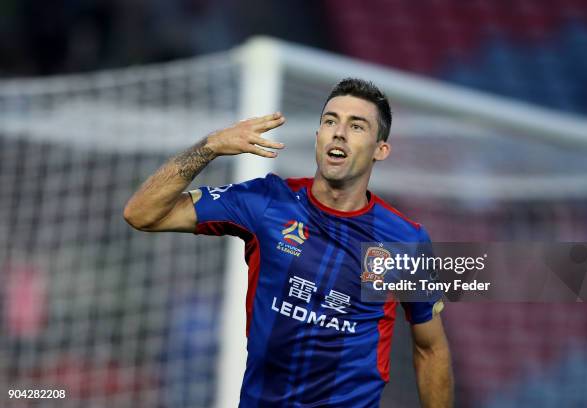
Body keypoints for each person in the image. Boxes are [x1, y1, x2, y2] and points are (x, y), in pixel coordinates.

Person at [123, 78, 453, 407]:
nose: (338, 132)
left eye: (357, 126)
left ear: (380, 149)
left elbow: (430, 348)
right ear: (318, 136)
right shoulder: (267, 201)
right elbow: (142, 213)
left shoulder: (404, 239)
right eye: (330, 121)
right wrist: (210, 146)